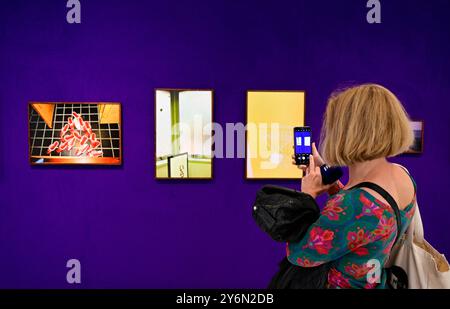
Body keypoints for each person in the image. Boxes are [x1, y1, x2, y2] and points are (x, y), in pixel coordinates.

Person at [288, 84, 416, 289]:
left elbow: (301, 254)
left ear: (349, 132)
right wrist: (326, 175)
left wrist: (307, 196)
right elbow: (364, 219)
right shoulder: (402, 176)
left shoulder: (355, 204)